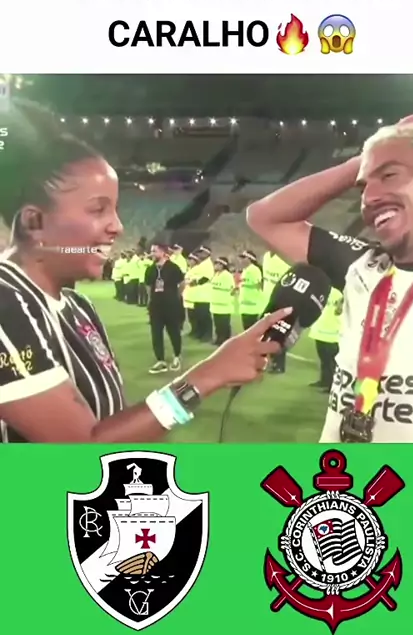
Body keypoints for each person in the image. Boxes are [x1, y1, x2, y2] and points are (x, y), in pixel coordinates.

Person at [0, 98, 288, 443]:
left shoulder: (79, 306)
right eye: (98, 210)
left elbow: (112, 426)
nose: (117, 226)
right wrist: (207, 375)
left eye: (116, 209)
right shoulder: (6, 304)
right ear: (34, 222)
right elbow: (84, 451)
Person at [248, 112, 413, 443]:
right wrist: (368, 157)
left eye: (390, 175)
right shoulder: (362, 265)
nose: (369, 197)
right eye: (364, 186)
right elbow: (264, 217)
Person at [145, 243, 184, 373]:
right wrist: (151, 299)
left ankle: (177, 356)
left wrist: (175, 297)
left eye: (154, 251)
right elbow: (148, 286)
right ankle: (160, 360)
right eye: (151, 251)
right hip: (156, 306)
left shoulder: (173, 268)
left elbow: (182, 283)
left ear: (162, 252)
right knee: (156, 333)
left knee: (174, 331)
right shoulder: (150, 269)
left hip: (171, 305)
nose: (152, 253)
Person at [308, 287, 343, 391]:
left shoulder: (339, 294)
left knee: (331, 360)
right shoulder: (319, 291)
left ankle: (332, 384)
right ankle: (324, 381)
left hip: (332, 332)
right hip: (319, 330)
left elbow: (340, 310)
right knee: (323, 359)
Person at [262, 249, 290, 374]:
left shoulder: (286, 259)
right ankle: (268, 360)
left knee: (279, 335)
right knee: (266, 333)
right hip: (266, 302)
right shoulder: (266, 257)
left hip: (281, 302)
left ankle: (279, 364)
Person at [210, 256, 235, 344]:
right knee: (217, 323)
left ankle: (225, 340)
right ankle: (218, 338)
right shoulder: (215, 275)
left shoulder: (227, 275)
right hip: (215, 304)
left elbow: (232, 289)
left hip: (224, 304)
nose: (215, 265)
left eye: (217, 264)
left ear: (222, 265)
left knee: (224, 324)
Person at [192, 245, 214, 342]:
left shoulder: (208, 264)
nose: (200, 254)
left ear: (207, 253)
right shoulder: (202, 264)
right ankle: (200, 333)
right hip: (198, 294)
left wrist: (195, 282)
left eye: (202, 252)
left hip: (204, 294)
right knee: (199, 315)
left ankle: (207, 335)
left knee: (204, 315)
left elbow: (206, 278)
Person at [238, 250, 264, 330]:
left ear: (249, 259)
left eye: (244, 258)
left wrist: (245, 285)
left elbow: (258, 284)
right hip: (245, 305)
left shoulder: (254, 270)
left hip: (252, 306)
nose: (241, 260)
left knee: (251, 328)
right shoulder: (245, 270)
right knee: (246, 328)